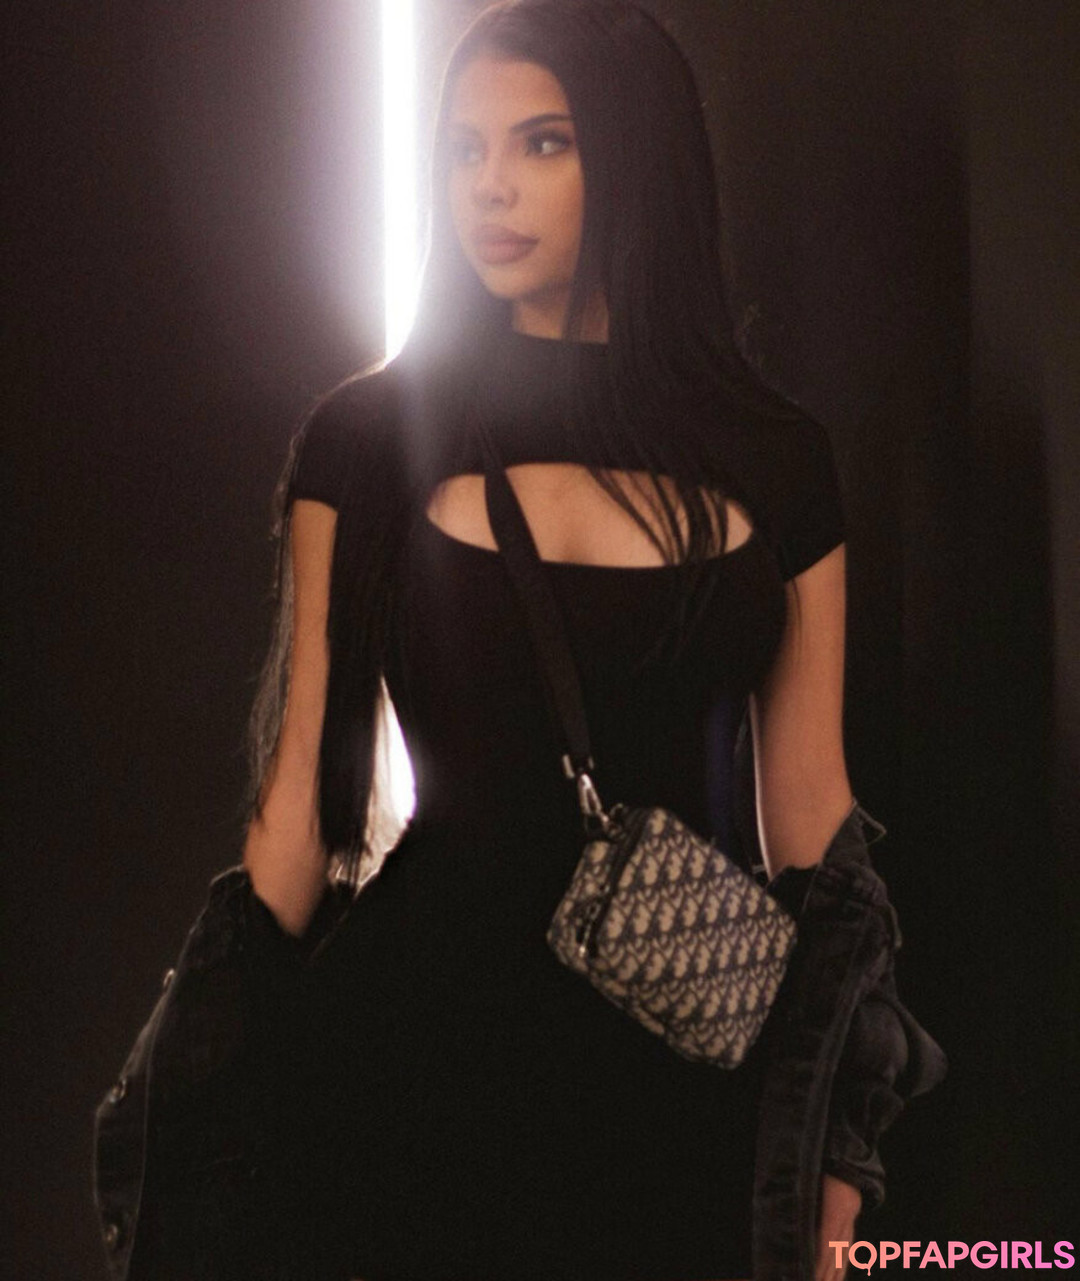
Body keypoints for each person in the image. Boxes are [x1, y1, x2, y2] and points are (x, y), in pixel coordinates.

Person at [233, 2, 935, 1278]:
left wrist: (841, 1142)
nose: (489, 185)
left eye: (543, 143)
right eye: (463, 148)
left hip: (679, 1070)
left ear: (637, 160)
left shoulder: (776, 455)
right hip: (409, 1057)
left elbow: (813, 818)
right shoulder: (365, 439)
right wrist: (208, 1102)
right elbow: (299, 808)